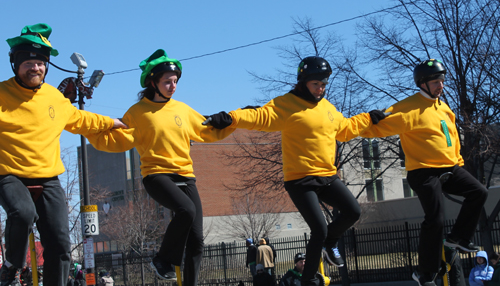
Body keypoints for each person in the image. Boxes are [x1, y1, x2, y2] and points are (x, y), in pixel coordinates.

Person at [204, 56, 387, 286]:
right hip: (300, 180)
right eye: (315, 84)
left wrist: (369, 118)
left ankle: (331, 244)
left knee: (353, 211)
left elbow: (345, 129)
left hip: (327, 176)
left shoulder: (327, 107)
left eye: (323, 85)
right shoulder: (286, 104)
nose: (320, 89)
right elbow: (260, 115)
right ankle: (308, 279)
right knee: (318, 228)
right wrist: (232, 117)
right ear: (303, 82)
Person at [83, 49, 235, 286]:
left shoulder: (183, 110)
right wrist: (89, 130)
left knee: (196, 240)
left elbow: (208, 131)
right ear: (153, 82)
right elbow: (116, 140)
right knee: (186, 210)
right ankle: (163, 260)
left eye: (175, 82)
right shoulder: (137, 113)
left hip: (186, 176)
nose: (172, 86)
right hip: (157, 175)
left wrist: (230, 121)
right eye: (167, 82)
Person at [0, 23, 126, 286]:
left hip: (48, 178)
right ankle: (11, 267)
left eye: (40, 63)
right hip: (9, 174)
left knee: (60, 246)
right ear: (15, 63)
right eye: (28, 62)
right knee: (22, 213)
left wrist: (114, 122)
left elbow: (82, 119)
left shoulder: (54, 98)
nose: (35, 68)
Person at [358, 59, 488, 286]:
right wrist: (370, 119)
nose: (441, 86)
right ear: (423, 83)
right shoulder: (408, 107)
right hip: (423, 171)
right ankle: (425, 273)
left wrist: (457, 161)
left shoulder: (445, 108)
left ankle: (458, 238)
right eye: (436, 82)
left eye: (442, 81)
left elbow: (453, 138)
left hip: (449, 167)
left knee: (479, 192)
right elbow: (379, 123)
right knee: (435, 218)